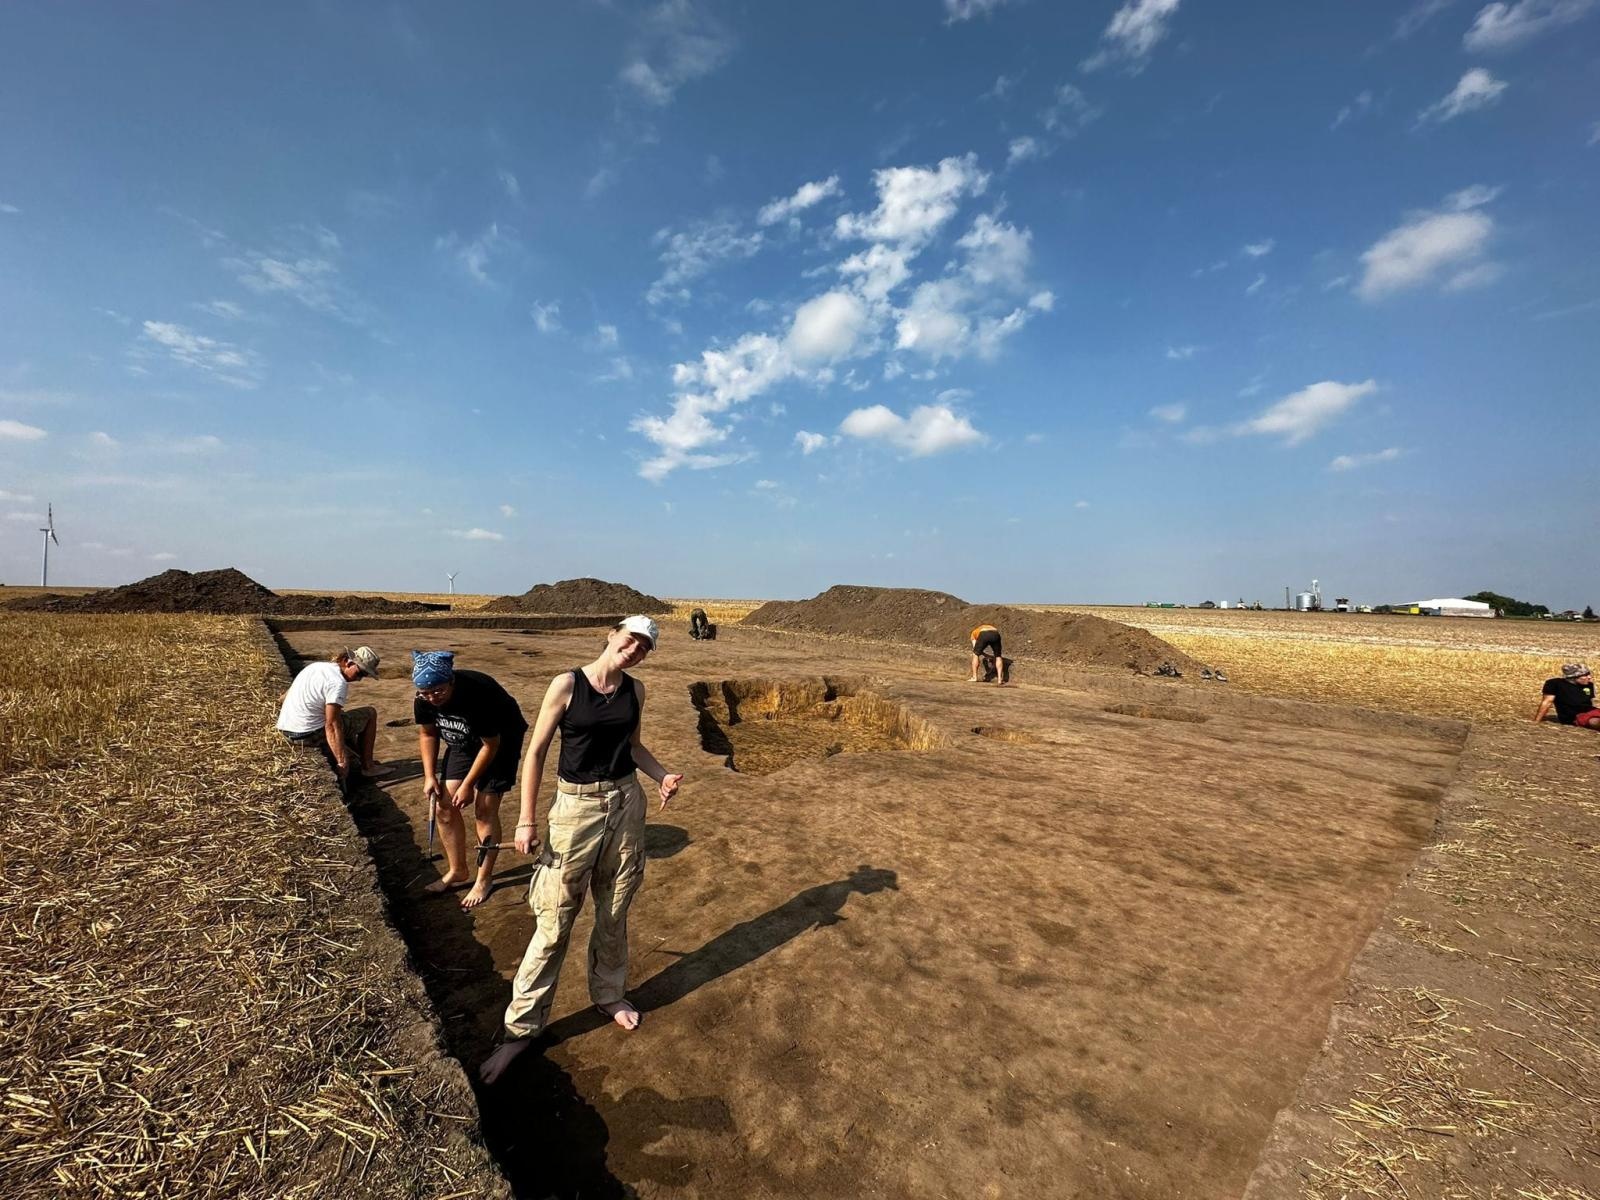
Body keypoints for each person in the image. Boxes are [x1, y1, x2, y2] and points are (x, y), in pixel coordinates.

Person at [480, 616, 683, 1084]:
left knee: (615, 908)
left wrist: (662, 775)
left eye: (645, 648)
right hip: (575, 810)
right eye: (631, 640)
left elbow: (632, 746)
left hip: (626, 803)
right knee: (554, 918)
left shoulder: (636, 692)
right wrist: (527, 818)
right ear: (612, 634)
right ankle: (520, 1031)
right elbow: (535, 753)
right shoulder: (567, 683)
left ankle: (609, 994)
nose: (635, 651)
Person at [413, 650, 530, 909]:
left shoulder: (477, 697)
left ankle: (483, 879)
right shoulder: (424, 697)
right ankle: (457, 871)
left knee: (484, 810)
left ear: (451, 681)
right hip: (463, 739)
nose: (432, 698)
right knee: (444, 804)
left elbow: (490, 745)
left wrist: (467, 786)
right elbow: (428, 734)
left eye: (439, 691)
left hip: (500, 739)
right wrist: (429, 775)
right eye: (426, 693)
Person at [276, 646, 387, 786]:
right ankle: (368, 766)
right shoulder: (338, 683)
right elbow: (332, 725)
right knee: (370, 713)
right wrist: (342, 761)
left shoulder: (316, 667)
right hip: (306, 735)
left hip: (285, 729)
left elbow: (284, 697)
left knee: (342, 715)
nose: (359, 679)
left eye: (364, 675)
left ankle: (359, 757)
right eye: (360, 673)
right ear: (348, 662)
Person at [1533, 662, 1599, 729]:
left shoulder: (1589, 685)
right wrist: (1536, 722)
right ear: (1573, 677)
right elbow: (1547, 702)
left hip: (1593, 712)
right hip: (1575, 716)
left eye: (1589, 674)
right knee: (1595, 721)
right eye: (1585, 675)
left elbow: (1589, 703)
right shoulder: (1555, 684)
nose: (1589, 677)